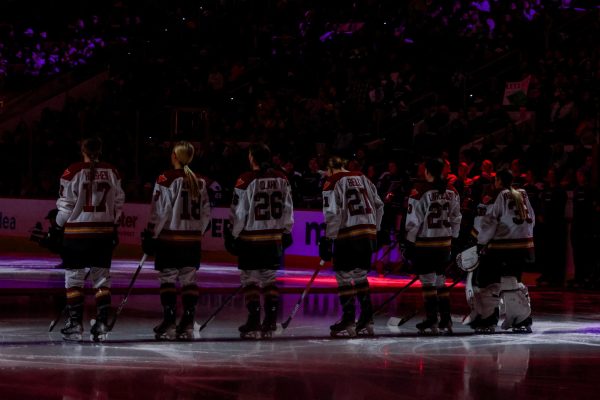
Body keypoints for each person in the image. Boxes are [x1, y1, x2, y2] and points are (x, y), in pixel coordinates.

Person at [55, 137, 125, 341]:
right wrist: (112, 223)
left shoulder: (72, 171)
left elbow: (66, 205)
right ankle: (102, 322)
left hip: (77, 234)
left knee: (74, 278)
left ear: (82, 150)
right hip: (103, 234)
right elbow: (119, 202)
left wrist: (58, 225)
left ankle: (75, 323)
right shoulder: (113, 172)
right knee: (102, 279)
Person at [144, 141, 211, 341]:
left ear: (175, 155)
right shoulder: (200, 181)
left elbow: (160, 210)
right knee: (189, 279)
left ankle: (170, 321)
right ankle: (188, 322)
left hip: (170, 238)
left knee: (168, 277)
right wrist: (197, 232)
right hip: (191, 240)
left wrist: (151, 233)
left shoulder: (166, 178)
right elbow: (207, 213)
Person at [226, 143, 294, 339]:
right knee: (269, 279)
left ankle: (254, 320)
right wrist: (286, 231)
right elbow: (288, 209)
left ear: (252, 158)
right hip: (273, 238)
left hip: (251, 239)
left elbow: (238, 213)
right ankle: (271, 320)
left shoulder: (246, 179)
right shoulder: (282, 178)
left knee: (250, 280)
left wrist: (232, 234)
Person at [319, 156, 384, 337]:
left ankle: (348, 319)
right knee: (360, 276)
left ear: (332, 169)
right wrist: (375, 229)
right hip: (368, 235)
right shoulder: (364, 178)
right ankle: (366, 318)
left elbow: (332, 213)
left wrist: (328, 239)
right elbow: (380, 205)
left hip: (348, 235)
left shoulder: (332, 182)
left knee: (344, 277)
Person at [468, 169, 535, 333]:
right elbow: (531, 218)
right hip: (524, 246)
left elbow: (489, 222)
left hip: (502, 248)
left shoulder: (496, 196)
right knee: (511, 280)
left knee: (488, 282)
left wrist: (480, 242)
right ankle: (521, 317)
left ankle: (488, 319)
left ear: (498, 180)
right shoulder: (522, 194)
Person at [404, 158, 461, 334]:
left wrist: (409, 243)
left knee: (428, 282)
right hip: (444, 243)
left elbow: (413, 221)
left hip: (426, 243)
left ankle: (432, 319)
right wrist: (454, 237)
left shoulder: (420, 192)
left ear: (427, 171)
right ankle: (446, 319)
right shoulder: (452, 190)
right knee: (440, 281)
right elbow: (456, 217)